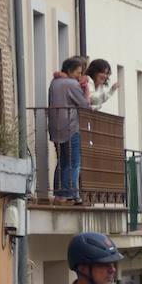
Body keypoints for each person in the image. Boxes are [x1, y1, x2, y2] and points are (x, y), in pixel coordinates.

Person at [48, 58, 88, 203]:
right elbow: (84, 104)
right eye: (78, 72)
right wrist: (86, 89)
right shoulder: (72, 84)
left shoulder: (54, 83)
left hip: (55, 127)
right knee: (73, 162)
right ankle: (69, 193)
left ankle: (59, 193)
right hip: (71, 127)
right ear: (70, 71)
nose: (79, 75)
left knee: (62, 161)